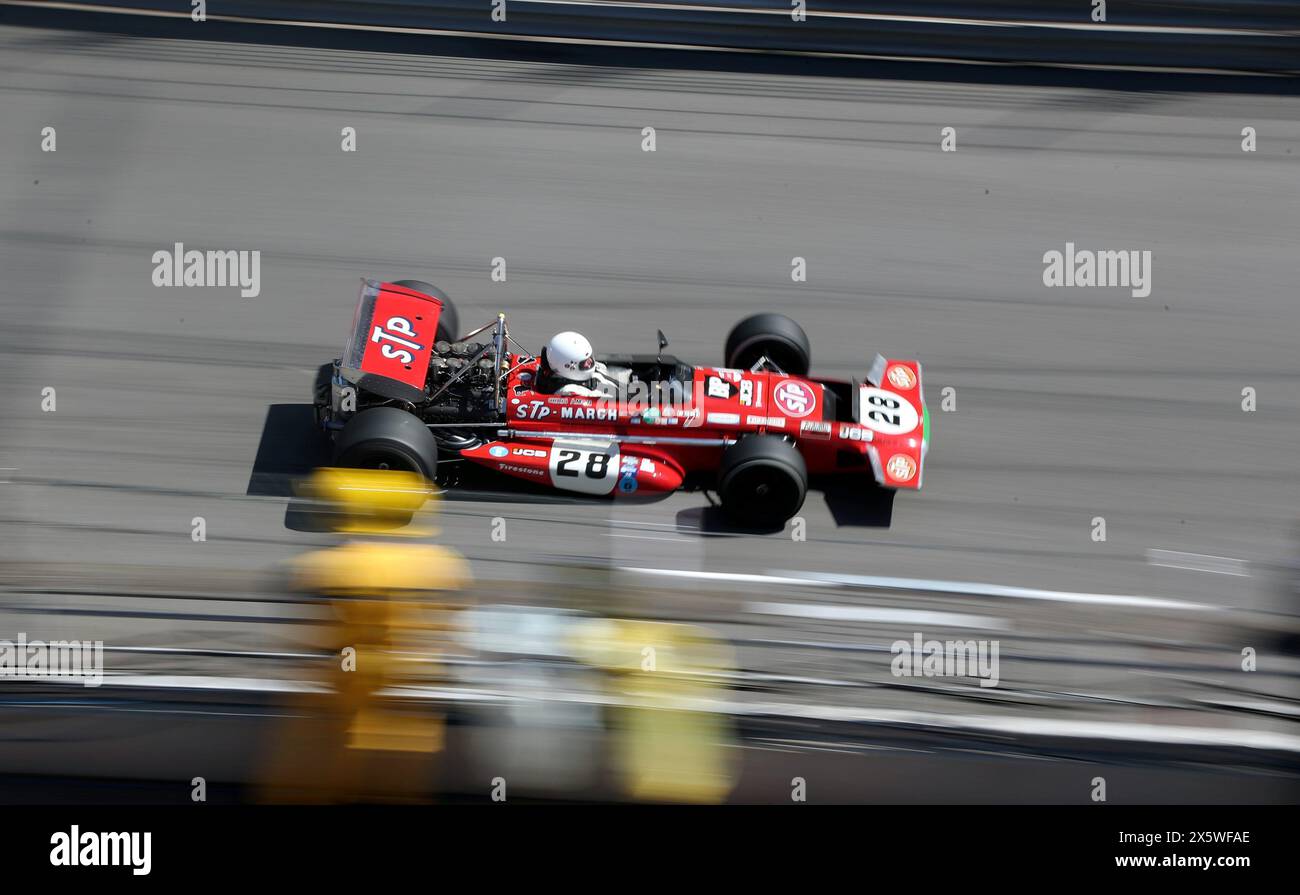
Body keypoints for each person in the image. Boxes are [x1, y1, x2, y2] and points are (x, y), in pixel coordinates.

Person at [535, 331, 618, 397]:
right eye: (584, 361)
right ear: (567, 367)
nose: (590, 361)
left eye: (589, 357)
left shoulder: (558, 367)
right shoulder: (569, 392)